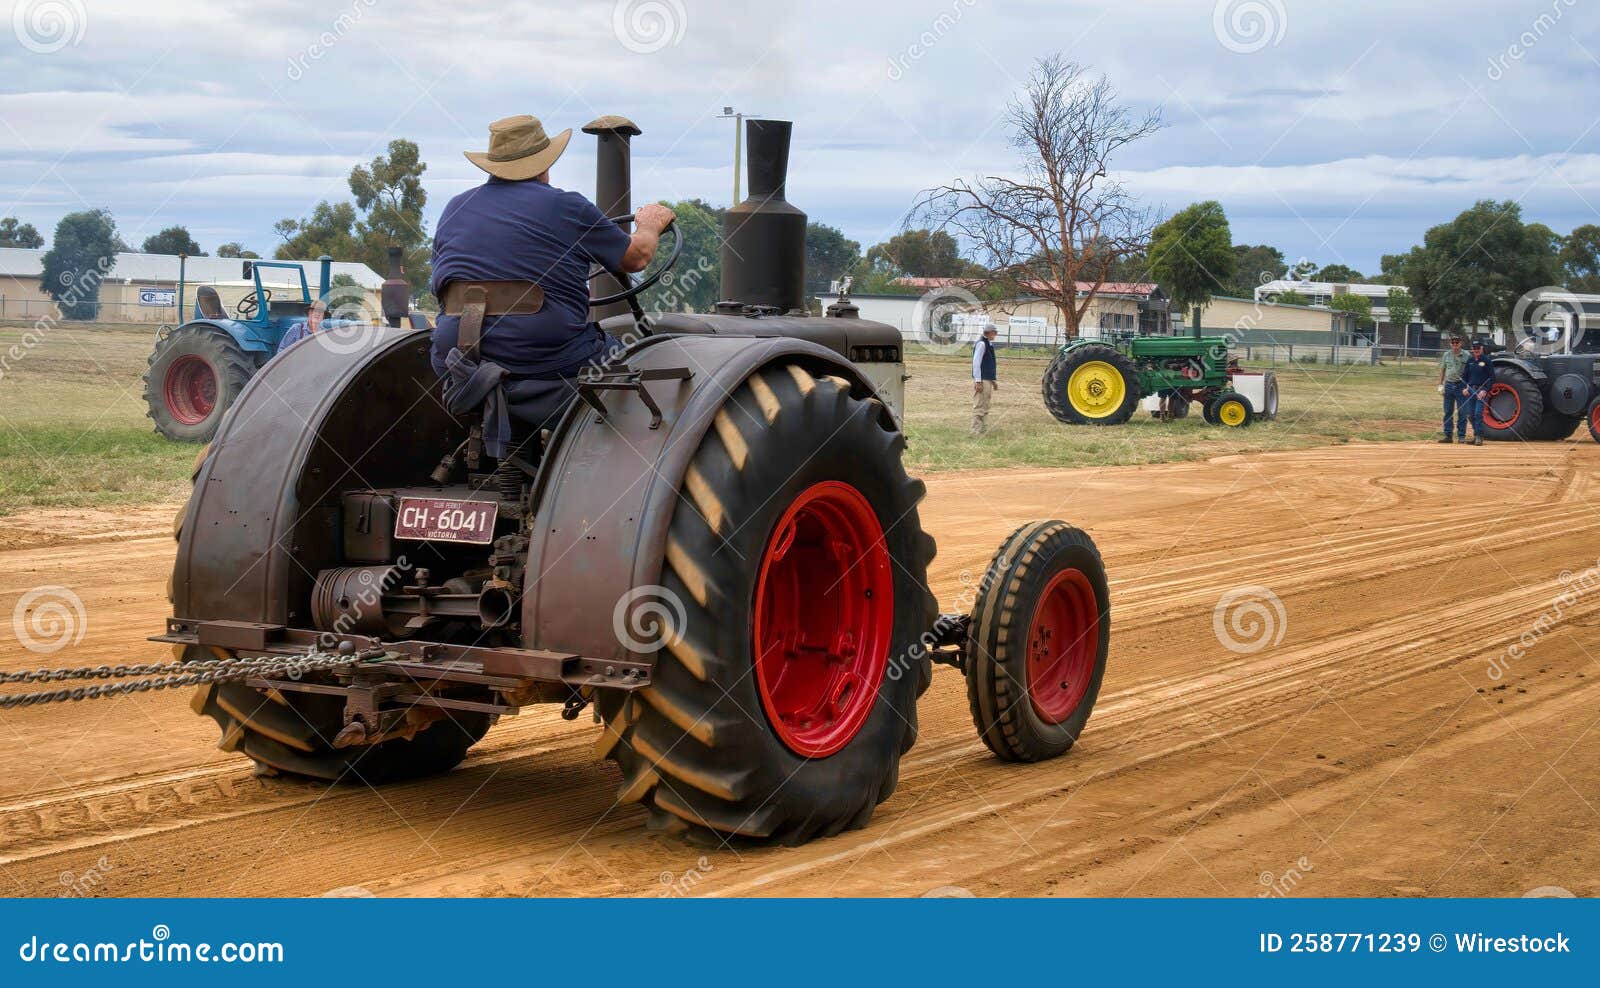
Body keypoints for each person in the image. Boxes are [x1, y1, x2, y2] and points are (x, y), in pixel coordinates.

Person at [430, 113, 674, 450]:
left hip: (458, 357)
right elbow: (636, 258)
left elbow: (441, 288)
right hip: (547, 356)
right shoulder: (566, 206)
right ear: (545, 164)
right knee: (642, 362)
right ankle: (619, 461)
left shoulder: (454, 209)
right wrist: (650, 223)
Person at [1460, 339, 1496, 445]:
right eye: (1474, 348)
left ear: (1482, 348)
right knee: (1470, 414)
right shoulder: (1470, 361)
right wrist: (1464, 388)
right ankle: (1476, 435)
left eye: (1478, 348)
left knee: (1478, 413)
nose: (1476, 350)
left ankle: (1479, 437)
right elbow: (1464, 377)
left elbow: (1492, 378)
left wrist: (1485, 390)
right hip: (1470, 390)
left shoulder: (1487, 361)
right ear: (1472, 349)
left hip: (1481, 390)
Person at [1436, 335, 1468, 443]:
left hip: (1461, 386)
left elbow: (1470, 371)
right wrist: (1440, 384)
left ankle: (1461, 436)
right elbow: (1442, 370)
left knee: (1462, 411)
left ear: (1461, 343)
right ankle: (1448, 435)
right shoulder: (1446, 355)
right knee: (1448, 411)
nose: (1455, 345)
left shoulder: (1467, 355)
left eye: (1457, 343)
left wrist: (1468, 385)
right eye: (1453, 343)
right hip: (1449, 385)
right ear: (1450, 344)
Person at [971, 324, 999, 436]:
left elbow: (988, 364)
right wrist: (978, 381)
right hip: (982, 380)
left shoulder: (988, 344)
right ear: (989, 332)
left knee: (986, 404)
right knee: (979, 404)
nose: (996, 334)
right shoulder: (982, 344)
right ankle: (975, 431)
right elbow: (976, 363)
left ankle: (983, 429)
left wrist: (993, 380)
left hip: (987, 379)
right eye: (995, 332)